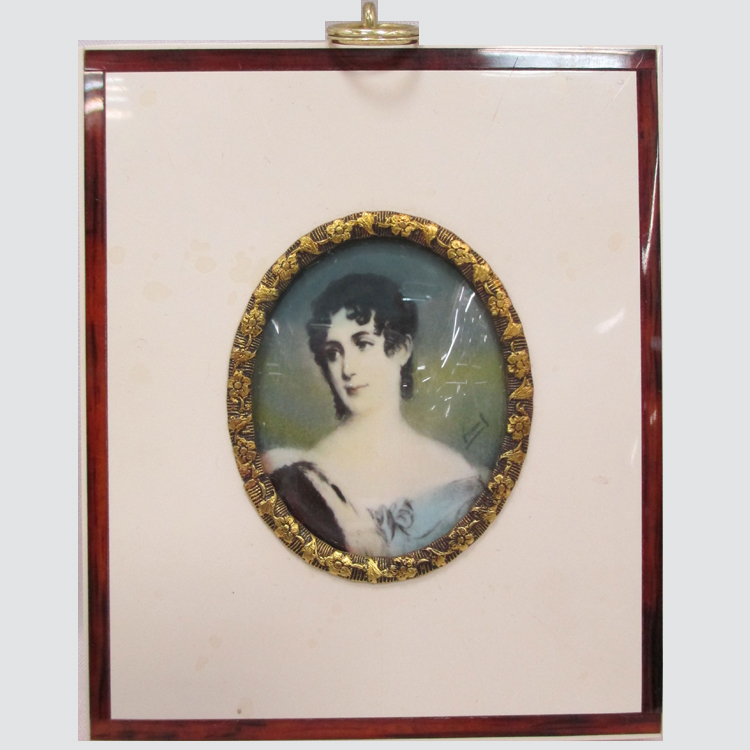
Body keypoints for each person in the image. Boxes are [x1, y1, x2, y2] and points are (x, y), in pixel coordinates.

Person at [261, 273, 483, 557]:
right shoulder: (302, 478)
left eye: (362, 344)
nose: (347, 369)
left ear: (401, 349)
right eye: (334, 353)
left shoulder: (456, 474)